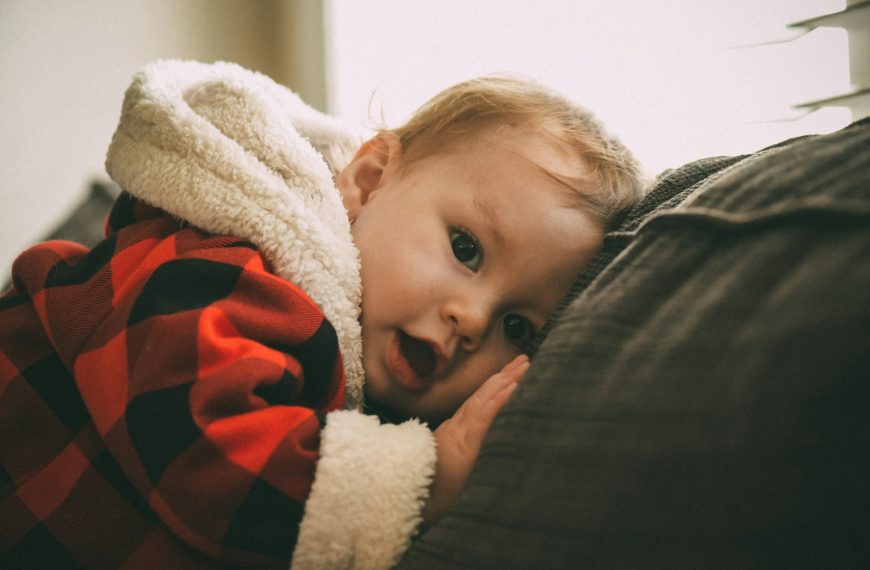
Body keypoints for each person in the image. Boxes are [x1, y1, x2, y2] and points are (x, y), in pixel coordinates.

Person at [0, 60, 645, 568]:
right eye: (466, 248)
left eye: (518, 327)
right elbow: (209, 458)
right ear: (366, 180)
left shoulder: (365, 384)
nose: (472, 320)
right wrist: (421, 484)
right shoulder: (234, 269)